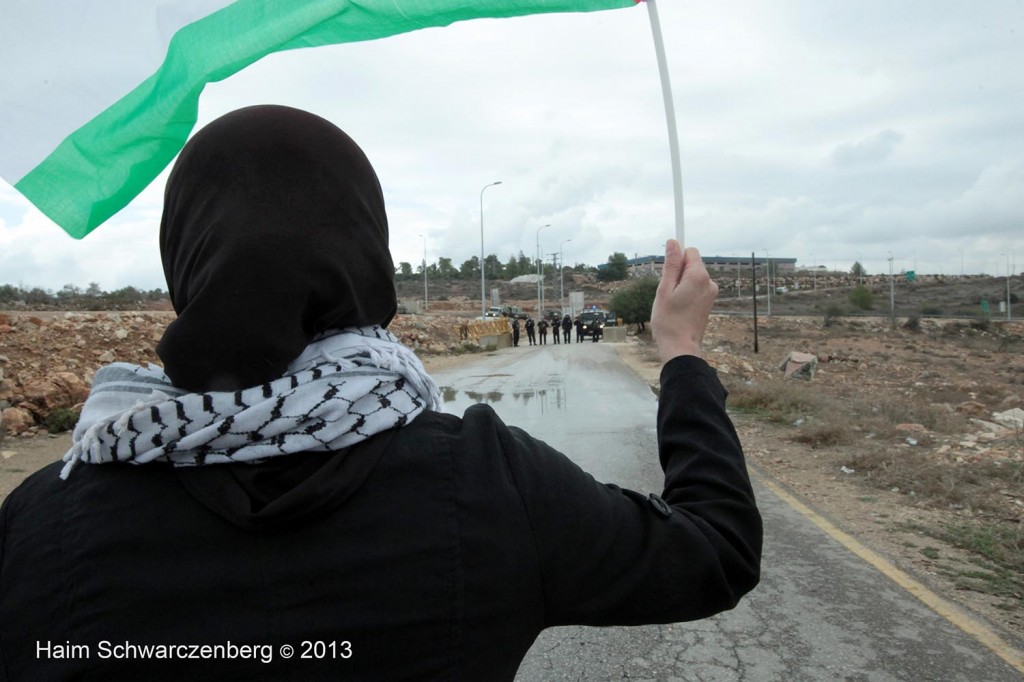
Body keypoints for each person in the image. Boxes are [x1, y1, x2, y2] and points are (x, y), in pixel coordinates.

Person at [0, 105, 761, 681]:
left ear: (183, 260)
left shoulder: (43, 522)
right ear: (368, 255)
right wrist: (682, 353)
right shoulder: (490, 484)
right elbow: (716, 551)